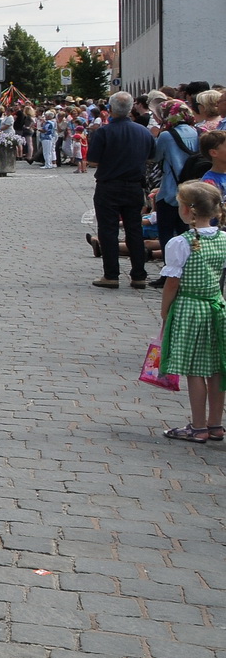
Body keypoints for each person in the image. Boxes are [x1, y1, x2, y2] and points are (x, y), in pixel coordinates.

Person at [157, 181, 226, 443]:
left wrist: (165, 312)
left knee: (195, 369)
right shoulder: (223, 238)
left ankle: (198, 426)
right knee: (217, 367)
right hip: (216, 304)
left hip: (190, 306)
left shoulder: (180, 242)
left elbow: (172, 282)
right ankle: (215, 424)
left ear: (187, 210)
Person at [88, 91, 156, 290]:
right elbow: (151, 156)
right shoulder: (143, 131)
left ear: (110, 110)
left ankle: (111, 275)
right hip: (134, 186)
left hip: (109, 185)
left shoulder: (104, 132)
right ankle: (139, 275)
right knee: (134, 229)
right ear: (130, 109)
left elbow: (93, 160)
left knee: (108, 230)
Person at [151, 101, 202, 270]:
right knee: (185, 232)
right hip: (191, 189)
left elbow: (156, 158)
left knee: (166, 233)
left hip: (170, 190)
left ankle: (170, 271)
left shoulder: (167, 135)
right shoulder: (197, 132)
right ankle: (186, 269)